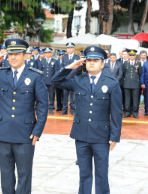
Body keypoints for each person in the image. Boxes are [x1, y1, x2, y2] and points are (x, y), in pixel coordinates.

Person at [0, 38, 48, 194]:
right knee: (6, 175)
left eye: (17, 54)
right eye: (10, 53)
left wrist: (37, 130)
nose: (13, 57)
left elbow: (42, 104)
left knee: (24, 175)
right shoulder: (0, 74)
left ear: (24, 55)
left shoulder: (35, 76)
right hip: (3, 131)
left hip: (26, 133)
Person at [51, 46, 122, 194]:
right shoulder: (78, 80)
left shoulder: (111, 83)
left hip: (101, 137)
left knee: (102, 174)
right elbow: (55, 81)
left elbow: (116, 112)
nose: (91, 63)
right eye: (89, 60)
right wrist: (72, 66)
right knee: (84, 174)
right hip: (81, 135)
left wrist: (115, 136)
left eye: (95, 60)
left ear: (103, 63)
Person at [61, 42, 80, 115]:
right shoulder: (64, 57)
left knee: (73, 95)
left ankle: (73, 109)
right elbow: (63, 68)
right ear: (67, 49)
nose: (70, 49)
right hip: (65, 79)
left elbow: (77, 68)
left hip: (74, 79)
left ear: (74, 49)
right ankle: (65, 109)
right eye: (68, 48)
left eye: (71, 48)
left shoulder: (77, 57)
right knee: (65, 95)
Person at [123, 49, 142, 119]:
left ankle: (135, 112)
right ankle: (127, 112)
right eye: (130, 55)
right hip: (127, 83)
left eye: (133, 55)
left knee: (135, 99)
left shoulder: (138, 63)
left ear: (135, 56)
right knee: (127, 99)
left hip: (135, 83)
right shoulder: (125, 63)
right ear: (128, 56)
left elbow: (140, 73)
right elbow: (124, 73)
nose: (132, 56)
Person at [39, 47, 57, 114]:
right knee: (44, 95)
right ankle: (45, 108)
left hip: (51, 81)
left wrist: (54, 81)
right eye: (46, 53)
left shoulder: (54, 61)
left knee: (51, 95)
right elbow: (40, 72)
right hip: (44, 81)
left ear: (51, 53)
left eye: (49, 53)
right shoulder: (42, 61)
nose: (47, 54)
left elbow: (55, 72)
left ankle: (51, 108)